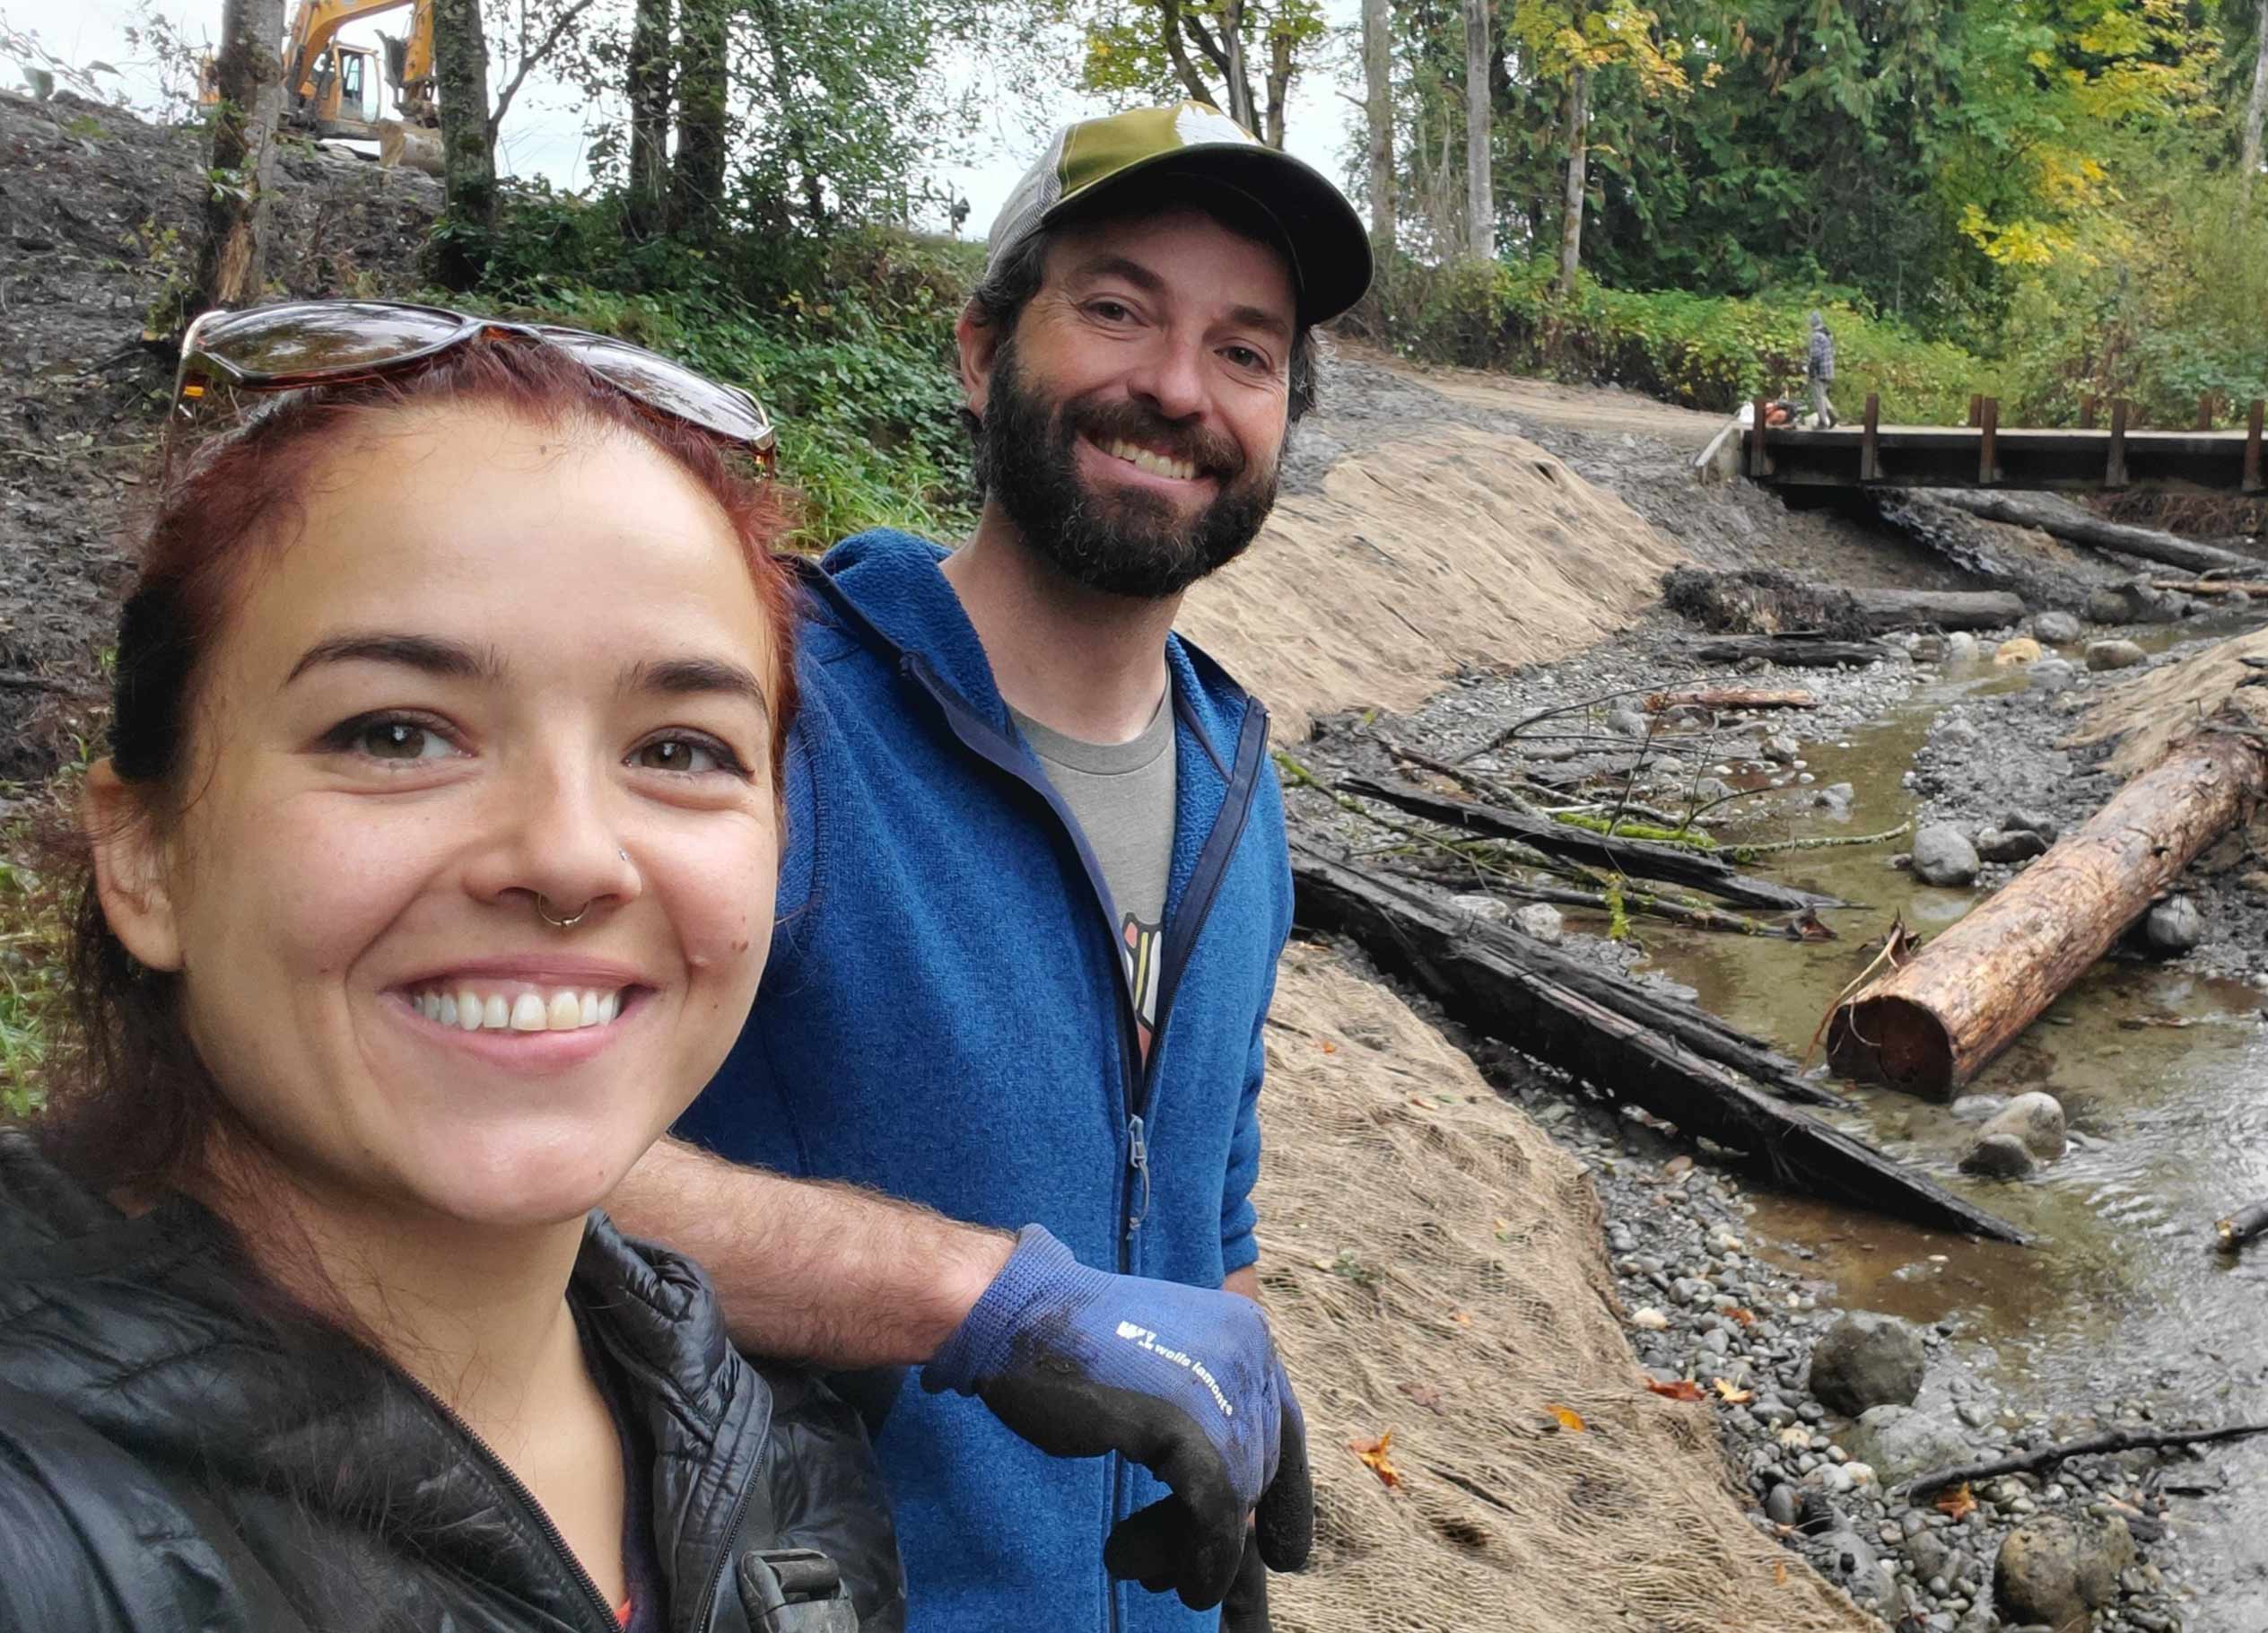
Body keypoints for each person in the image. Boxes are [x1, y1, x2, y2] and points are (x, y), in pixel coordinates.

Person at [0, 303, 903, 1632]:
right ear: (144, 857)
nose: (569, 856)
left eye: (677, 749)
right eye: (396, 733)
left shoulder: (773, 1459)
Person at [605, 102, 1374, 1632]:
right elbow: (514, 1169)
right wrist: (990, 1310)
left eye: (1244, 349)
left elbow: (1206, 1222)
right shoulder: (765, 721)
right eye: (1115, 310)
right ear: (978, 352)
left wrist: (1231, 1391)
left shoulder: (1239, 785)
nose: (1175, 387)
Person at [1807, 309, 1836, 428]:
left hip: (1820, 371)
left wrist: (1811, 370)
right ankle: (1833, 415)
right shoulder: (1827, 334)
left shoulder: (1816, 336)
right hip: (1829, 370)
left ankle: (1823, 422)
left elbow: (1816, 355)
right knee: (1822, 394)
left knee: (1818, 396)